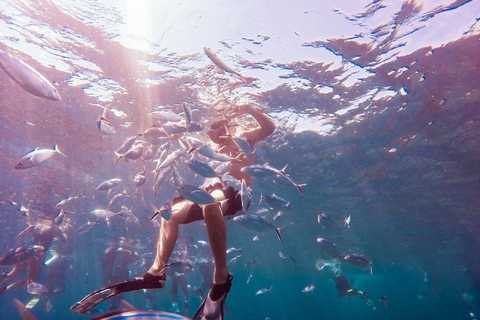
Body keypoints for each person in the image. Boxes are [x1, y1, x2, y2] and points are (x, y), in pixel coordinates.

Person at [71, 103, 276, 319]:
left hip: (237, 191)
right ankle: (156, 272)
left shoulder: (244, 137)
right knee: (170, 212)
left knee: (210, 203)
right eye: (211, 134)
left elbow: (270, 128)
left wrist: (251, 110)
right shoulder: (210, 145)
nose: (215, 137)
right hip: (213, 190)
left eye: (218, 132)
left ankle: (221, 276)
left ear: (228, 127)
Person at [0, 216, 66, 296]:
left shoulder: (35, 225)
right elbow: (64, 241)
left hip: (24, 250)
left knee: (13, 273)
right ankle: (6, 290)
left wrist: (22, 248)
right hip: (38, 253)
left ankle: (1, 285)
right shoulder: (55, 229)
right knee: (32, 278)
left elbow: (19, 236)